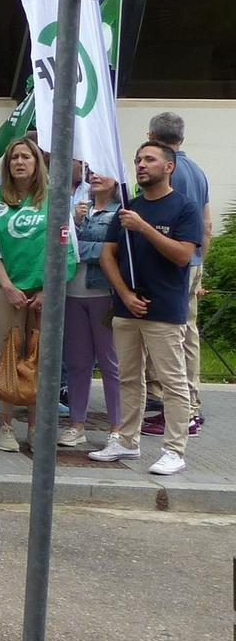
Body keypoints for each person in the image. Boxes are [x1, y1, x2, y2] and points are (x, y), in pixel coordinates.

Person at [90, 141, 203, 475]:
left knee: (172, 381)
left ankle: (174, 450)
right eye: (138, 159)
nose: (141, 165)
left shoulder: (184, 208)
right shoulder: (129, 207)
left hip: (165, 309)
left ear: (169, 166)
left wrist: (144, 228)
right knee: (128, 377)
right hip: (127, 308)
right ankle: (126, 440)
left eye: (150, 160)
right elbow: (107, 254)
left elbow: (183, 255)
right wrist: (123, 293)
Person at [0, 137, 72, 452]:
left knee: (40, 354)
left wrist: (47, 289)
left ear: (37, 162)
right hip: (5, 288)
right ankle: (4, 426)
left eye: (26, 156)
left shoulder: (56, 200)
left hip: (45, 290)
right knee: (9, 353)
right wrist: (8, 286)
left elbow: (66, 248)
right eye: (14, 157)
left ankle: (35, 427)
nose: (19, 162)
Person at [144, 113, 209, 436]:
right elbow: (206, 225)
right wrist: (202, 265)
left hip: (172, 264)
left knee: (175, 336)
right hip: (193, 261)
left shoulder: (168, 172)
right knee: (187, 333)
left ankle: (184, 410)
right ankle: (185, 404)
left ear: (153, 134)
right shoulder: (198, 171)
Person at [63, 168, 123, 448]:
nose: (95, 176)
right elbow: (61, 246)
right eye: (92, 172)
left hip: (104, 292)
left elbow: (115, 252)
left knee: (111, 363)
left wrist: (81, 249)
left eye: (103, 172)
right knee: (77, 362)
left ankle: (117, 427)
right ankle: (77, 425)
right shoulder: (78, 209)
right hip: (72, 292)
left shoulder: (120, 212)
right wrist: (75, 224)